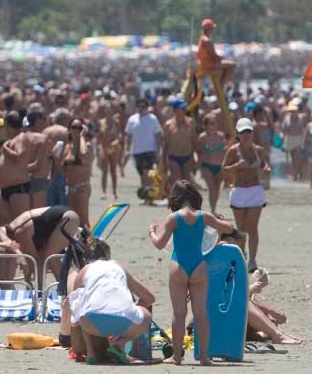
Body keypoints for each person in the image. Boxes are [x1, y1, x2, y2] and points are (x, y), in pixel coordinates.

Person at [148, 180, 233, 365]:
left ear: (175, 199)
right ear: (195, 197)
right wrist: (219, 224)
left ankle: (177, 357)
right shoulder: (204, 216)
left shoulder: (174, 218)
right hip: (198, 266)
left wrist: (152, 233)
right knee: (201, 313)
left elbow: (160, 244)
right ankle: (204, 357)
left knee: (179, 314)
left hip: (178, 266)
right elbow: (227, 228)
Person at [69, 240, 155, 364]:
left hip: (91, 325)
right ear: (107, 255)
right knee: (146, 315)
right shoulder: (117, 265)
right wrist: (132, 307)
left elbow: (75, 310)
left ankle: (91, 354)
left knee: (82, 307)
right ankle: (120, 343)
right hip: (124, 323)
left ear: (85, 259)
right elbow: (149, 298)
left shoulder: (84, 271)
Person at [223, 118, 270, 272]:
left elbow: (265, 164)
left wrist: (266, 169)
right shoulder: (233, 150)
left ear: (252, 132)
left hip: (255, 190)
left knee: (252, 226)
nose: (246, 134)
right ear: (238, 133)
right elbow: (224, 169)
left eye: (248, 131)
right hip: (239, 190)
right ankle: (241, 254)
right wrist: (237, 166)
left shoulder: (259, 150)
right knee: (241, 228)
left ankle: (253, 260)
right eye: (243, 132)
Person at [3, 206, 79, 289]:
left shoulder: (19, 232)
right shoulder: (16, 229)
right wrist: (28, 280)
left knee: (49, 256)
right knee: (44, 255)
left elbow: (34, 261)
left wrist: (39, 288)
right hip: (65, 216)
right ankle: (63, 287)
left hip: (68, 218)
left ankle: (65, 289)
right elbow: (31, 261)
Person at [0, 111, 32, 223]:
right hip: (5, 189)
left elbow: (20, 156)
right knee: (7, 227)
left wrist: (5, 148)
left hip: (17, 188)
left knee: (20, 225)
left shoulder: (20, 137)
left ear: (6, 124)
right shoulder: (11, 140)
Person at [125, 99, 163, 187]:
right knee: (142, 175)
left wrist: (158, 150)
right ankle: (146, 195)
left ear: (147, 107)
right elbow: (128, 135)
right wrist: (127, 149)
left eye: (143, 107)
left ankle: (149, 194)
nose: (141, 109)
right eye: (139, 107)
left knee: (147, 173)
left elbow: (158, 135)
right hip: (137, 152)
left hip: (150, 150)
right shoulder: (132, 119)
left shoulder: (153, 119)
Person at [62, 119, 93, 228]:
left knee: (84, 221)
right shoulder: (67, 147)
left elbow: (83, 155)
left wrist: (82, 137)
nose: (76, 130)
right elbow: (63, 168)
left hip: (82, 187)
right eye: (74, 127)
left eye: (79, 128)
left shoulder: (87, 145)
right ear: (69, 130)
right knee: (72, 221)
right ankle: (75, 245)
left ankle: (91, 244)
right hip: (70, 188)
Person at [197, 113, 226, 213]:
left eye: (216, 123)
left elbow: (224, 152)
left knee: (217, 188)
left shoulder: (221, 136)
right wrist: (199, 168)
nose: (215, 125)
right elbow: (199, 153)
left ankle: (214, 208)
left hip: (219, 166)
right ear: (206, 125)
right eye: (212, 123)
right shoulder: (202, 138)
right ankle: (212, 210)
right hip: (207, 166)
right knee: (212, 188)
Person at [25, 104, 52, 208]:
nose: (47, 120)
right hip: (39, 179)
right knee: (39, 215)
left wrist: (20, 170)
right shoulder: (43, 139)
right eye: (44, 118)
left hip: (23, 179)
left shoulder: (23, 137)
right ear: (38, 121)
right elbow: (38, 164)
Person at [163, 100, 196, 184]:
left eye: (184, 108)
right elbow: (165, 144)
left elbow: (193, 140)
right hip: (174, 157)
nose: (184, 110)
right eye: (181, 108)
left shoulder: (191, 122)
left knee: (187, 182)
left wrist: (194, 157)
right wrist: (164, 160)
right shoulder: (168, 124)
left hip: (187, 156)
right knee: (178, 183)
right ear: (175, 110)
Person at [44, 108, 71, 207]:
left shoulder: (46, 131)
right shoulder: (65, 132)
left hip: (46, 170)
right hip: (59, 170)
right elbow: (61, 154)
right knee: (60, 204)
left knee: (48, 202)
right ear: (64, 119)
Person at [197, 18, 236, 86]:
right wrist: (222, 59)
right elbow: (214, 56)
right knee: (233, 65)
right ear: (210, 29)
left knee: (227, 63)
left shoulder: (202, 38)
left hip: (205, 63)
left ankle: (219, 83)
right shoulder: (207, 41)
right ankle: (221, 84)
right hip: (209, 64)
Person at [97, 104, 124, 200]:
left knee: (113, 171)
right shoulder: (101, 122)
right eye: (107, 110)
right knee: (104, 171)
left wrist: (116, 141)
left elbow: (120, 135)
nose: (108, 112)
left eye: (110, 110)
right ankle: (103, 192)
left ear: (113, 111)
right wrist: (98, 149)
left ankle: (114, 192)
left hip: (114, 148)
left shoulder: (116, 122)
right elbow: (98, 136)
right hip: (104, 148)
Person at [281, 102, 305, 182]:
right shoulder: (286, 118)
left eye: (294, 111)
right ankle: (295, 175)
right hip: (289, 139)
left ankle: (298, 174)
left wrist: (303, 140)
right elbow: (283, 130)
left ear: (297, 111)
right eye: (291, 111)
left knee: (297, 157)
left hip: (298, 139)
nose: (292, 112)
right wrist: (282, 140)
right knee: (292, 159)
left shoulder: (301, 118)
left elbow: (304, 130)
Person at [302, 113, 312, 189]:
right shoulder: (309, 125)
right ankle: (311, 183)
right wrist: (303, 144)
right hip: (311, 149)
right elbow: (304, 136)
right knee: (311, 166)